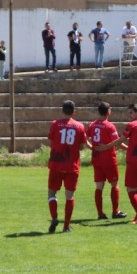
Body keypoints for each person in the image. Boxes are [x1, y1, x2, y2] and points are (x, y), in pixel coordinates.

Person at [47, 100, 87, 233]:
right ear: (74, 112)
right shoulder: (80, 126)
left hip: (56, 164)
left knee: (52, 192)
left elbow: (51, 142)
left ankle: (54, 217)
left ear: (62, 110)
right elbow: (82, 145)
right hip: (72, 165)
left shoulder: (55, 124)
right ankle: (66, 226)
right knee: (69, 196)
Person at [87, 102, 127, 220]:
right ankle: (115, 211)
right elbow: (118, 143)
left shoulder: (92, 125)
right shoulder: (109, 126)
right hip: (109, 160)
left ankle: (100, 214)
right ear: (108, 111)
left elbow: (84, 138)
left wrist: (90, 147)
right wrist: (129, 149)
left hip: (96, 159)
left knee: (99, 186)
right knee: (114, 185)